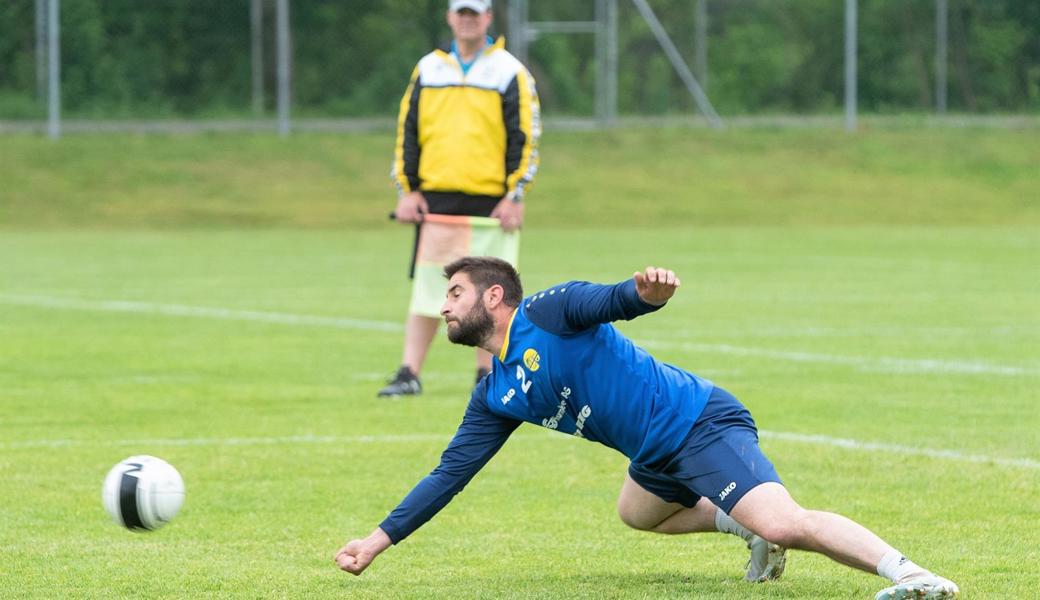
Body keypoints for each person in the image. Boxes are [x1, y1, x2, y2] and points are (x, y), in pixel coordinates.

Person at [339, 257, 960, 599]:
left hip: (697, 423)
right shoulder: (494, 394)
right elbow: (450, 474)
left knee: (783, 521)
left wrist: (647, 295)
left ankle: (909, 574)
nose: (443, 306)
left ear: (494, 297)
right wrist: (377, 540)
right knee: (637, 513)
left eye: (454, 293)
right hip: (653, 454)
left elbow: (613, 300)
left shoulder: (548, 312)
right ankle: (744, 526)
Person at [378, 0, 541, 397]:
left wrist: (514, 194)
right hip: (436, 198)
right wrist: (408, 189)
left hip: (490, 200)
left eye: (475, 13)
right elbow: (408, 132)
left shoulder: (509, 71)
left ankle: (486, 375)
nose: (468, 20)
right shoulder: (428, 69)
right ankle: (408, 372)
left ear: (488, 18)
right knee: (430, 288)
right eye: (461, 12)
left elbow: (526, 134)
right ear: (450, 17)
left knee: (491, 292)